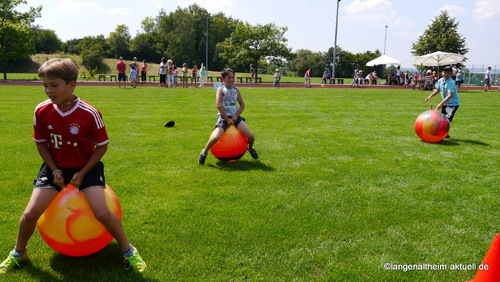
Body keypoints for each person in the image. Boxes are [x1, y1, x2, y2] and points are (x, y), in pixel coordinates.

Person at [0, 58, 146, 275]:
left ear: (72, 84)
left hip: (86, 167)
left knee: (102, 213)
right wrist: (56, 170)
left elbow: (102, 146)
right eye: (45, 86)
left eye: (54, 85)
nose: (49, 90)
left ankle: (128, 251)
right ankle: (19, 253)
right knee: (30, 214)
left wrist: (82, 173)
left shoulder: (89, 113)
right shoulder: (41, 111)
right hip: (55, 167)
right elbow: (40, 143)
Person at [198, 68, 258, 165]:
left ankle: (250, 148)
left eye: (233, 78)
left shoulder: (236, 90)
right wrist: (227, 119)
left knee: (251, 136)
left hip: (235, 118)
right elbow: (219, 105)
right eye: (228, 77)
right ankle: (204, 153)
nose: (231, 79)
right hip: (223, 117)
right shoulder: (220, 89)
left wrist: (236, 116)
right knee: (216, 137)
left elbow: (242, 105)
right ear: (223, 79)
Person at [425, 66, 460, 139]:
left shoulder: (451, 83)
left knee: (446, 119)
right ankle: (443, 133)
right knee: (441, 118)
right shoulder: (440, 80)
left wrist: (441, 103)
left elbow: (449, 96)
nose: (446, 74)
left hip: (453, 104)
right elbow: (437, 90)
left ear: (451, 74)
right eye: (444, 72)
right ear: (442, 73)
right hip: (446, 103)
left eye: (448, 73)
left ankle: (445, 134)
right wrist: (430, 96)